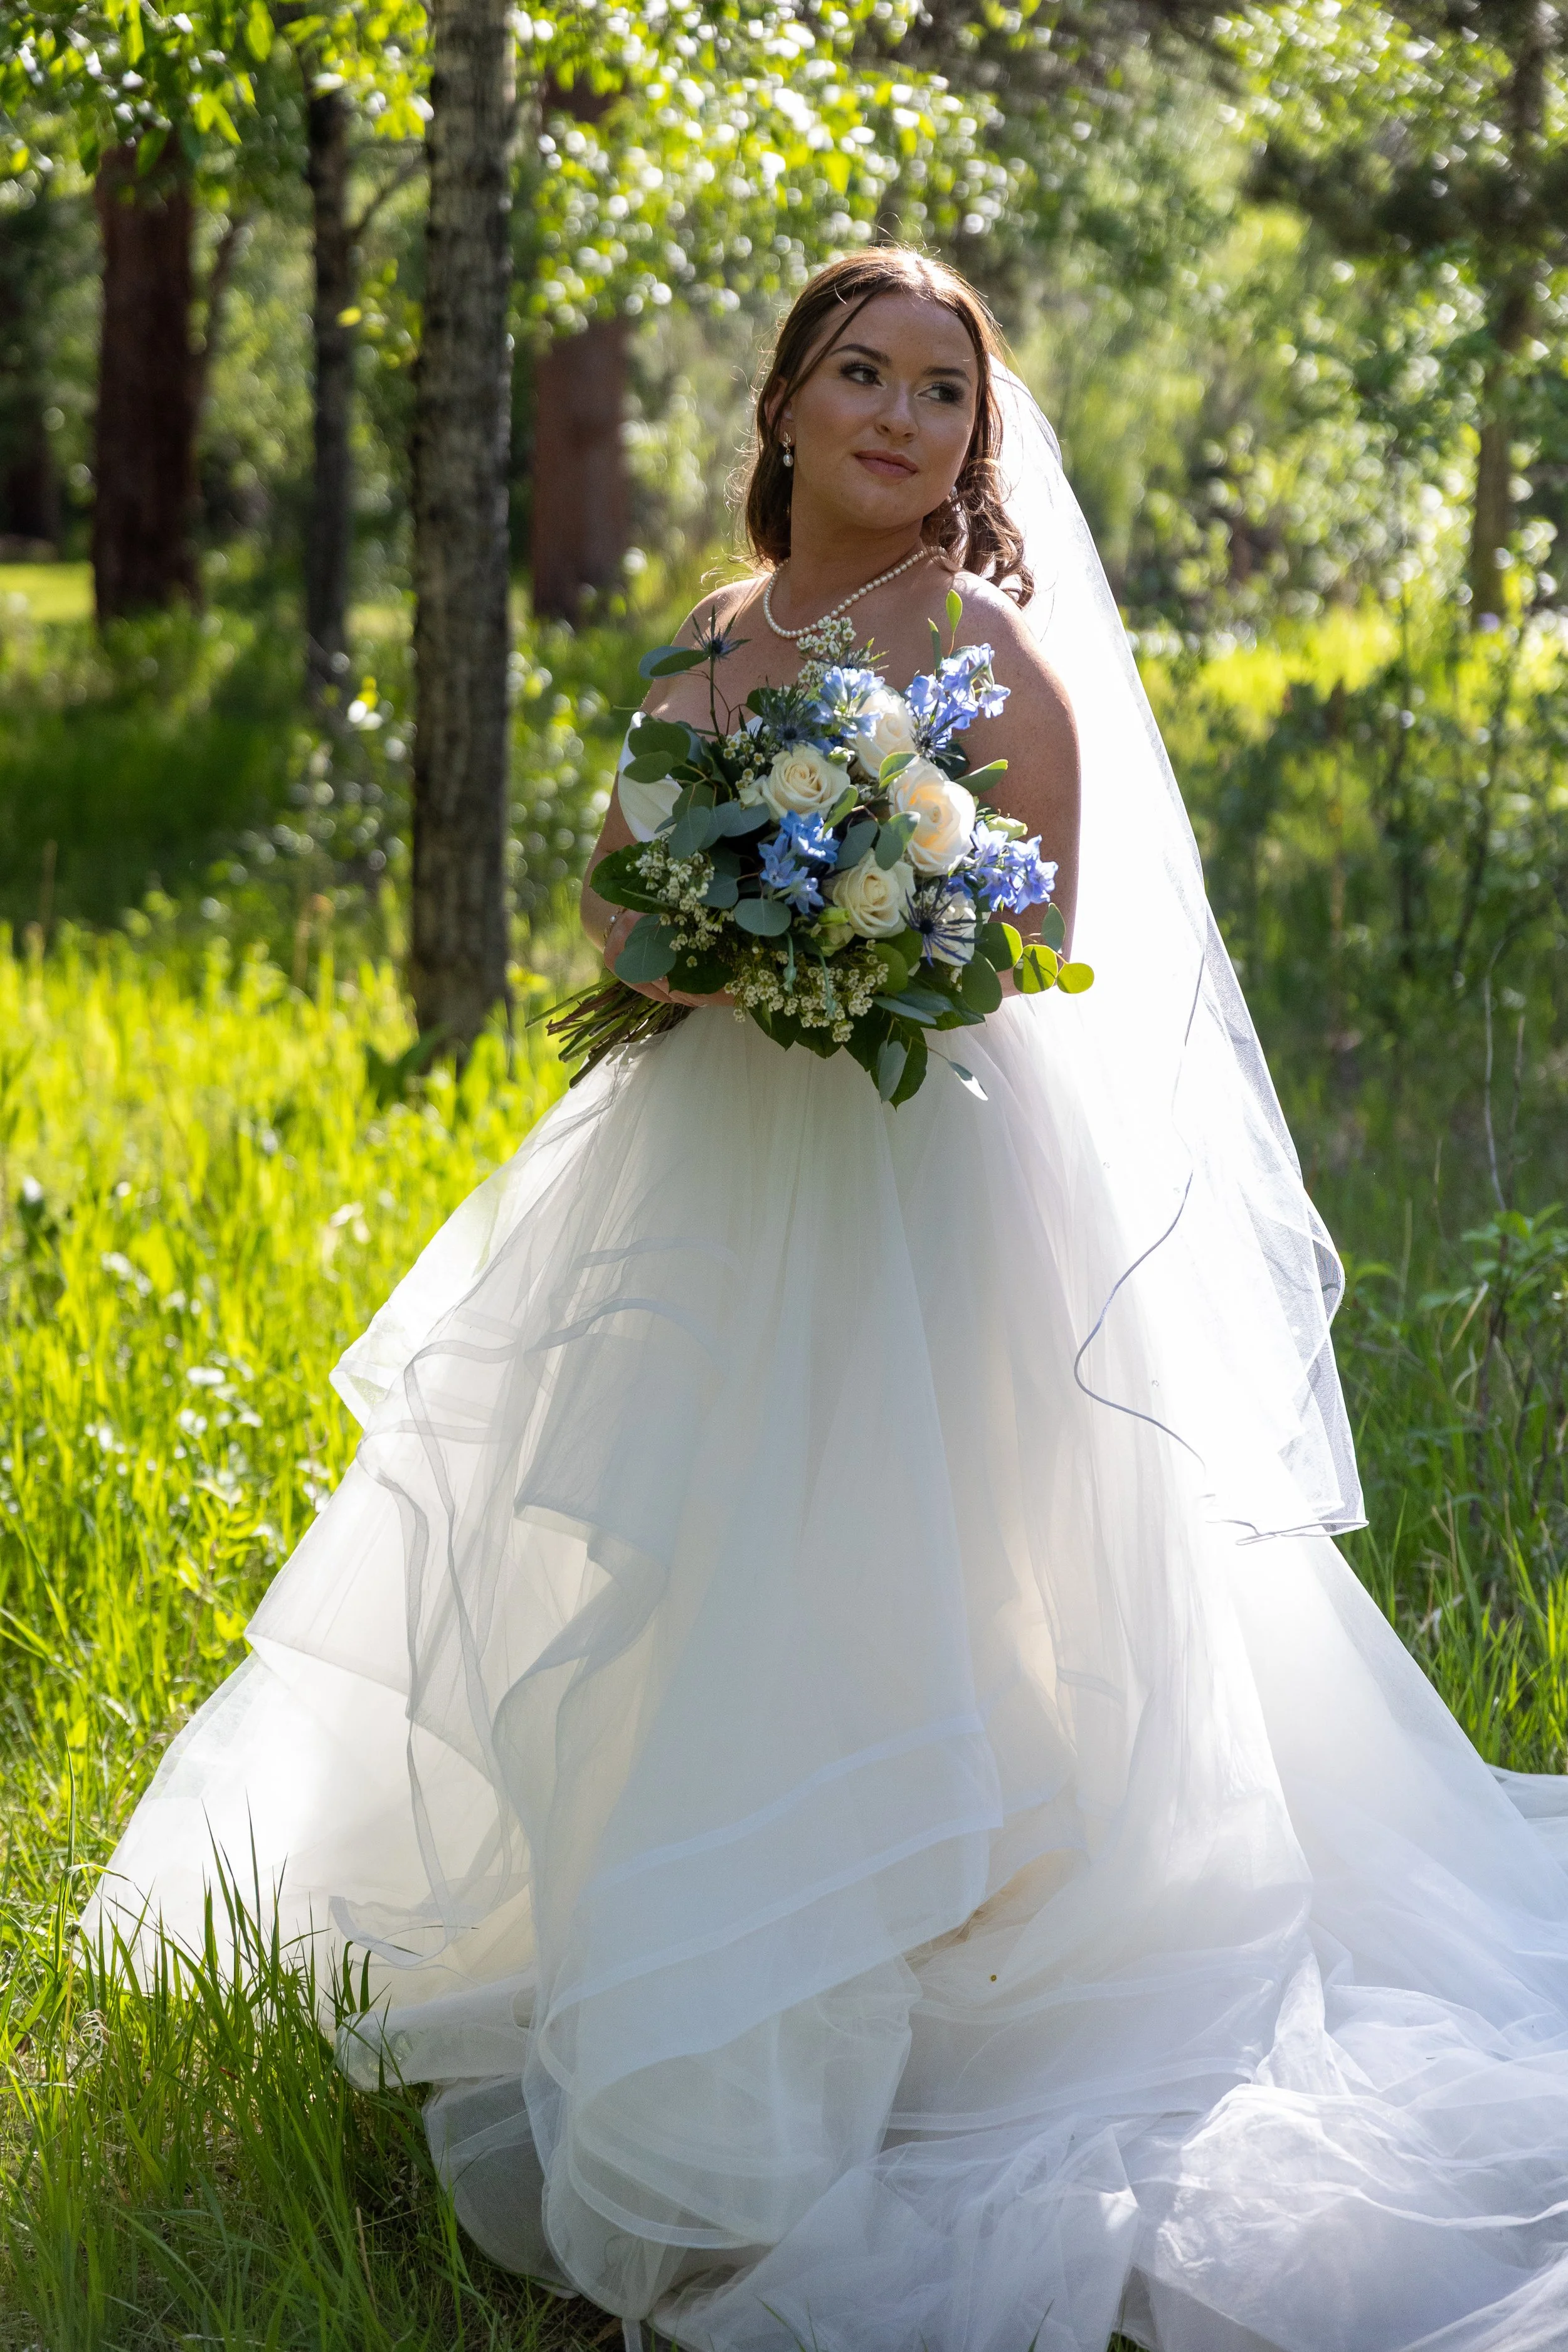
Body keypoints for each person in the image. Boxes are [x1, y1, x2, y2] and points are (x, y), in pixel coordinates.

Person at [90, 250, 1568, 2352]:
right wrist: (725, 940)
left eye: (942, 392)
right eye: (859, 376)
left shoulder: (988, 649)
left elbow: (1047, 942)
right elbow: (615, 898)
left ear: (976, 440)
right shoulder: (711, 640)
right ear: (780, 407)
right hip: (710, 1164)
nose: (899, 416)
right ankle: (700, 1929)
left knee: (933, 1555)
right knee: (707, 1558)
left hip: (932, 1183)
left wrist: (876, 936)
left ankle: (956, 1943)